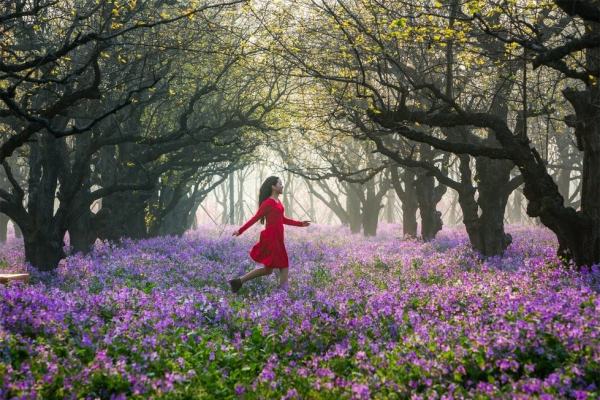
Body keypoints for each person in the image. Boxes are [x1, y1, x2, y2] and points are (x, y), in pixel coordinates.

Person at [229, 176, 310, 293]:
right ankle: (283, 294)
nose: (282, 186)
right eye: (280, 184)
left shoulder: (278, 202)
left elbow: (283, 219)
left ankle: (238, 281)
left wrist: (300, 224)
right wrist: (240, 230)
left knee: (268, 270)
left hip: (278, 238)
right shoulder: (268, 203)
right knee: (284, 265)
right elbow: (255, 218)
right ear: (273, 186)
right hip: (271, 238)